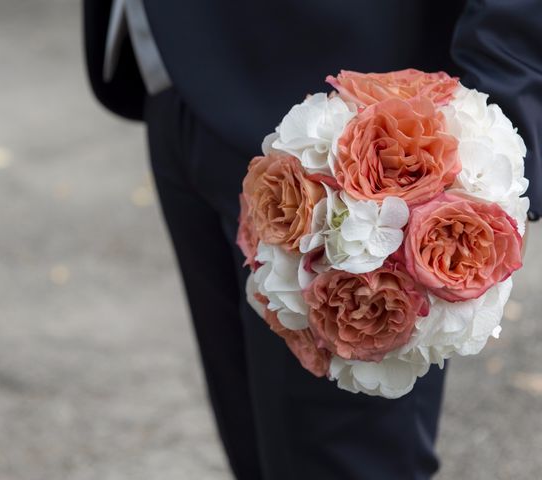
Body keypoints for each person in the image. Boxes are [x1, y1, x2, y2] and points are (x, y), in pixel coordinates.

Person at [82, 1, 542, 478]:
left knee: (340, 459)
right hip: (176, 73)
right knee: (253, 449)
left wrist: (501, 124)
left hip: (361, 133)